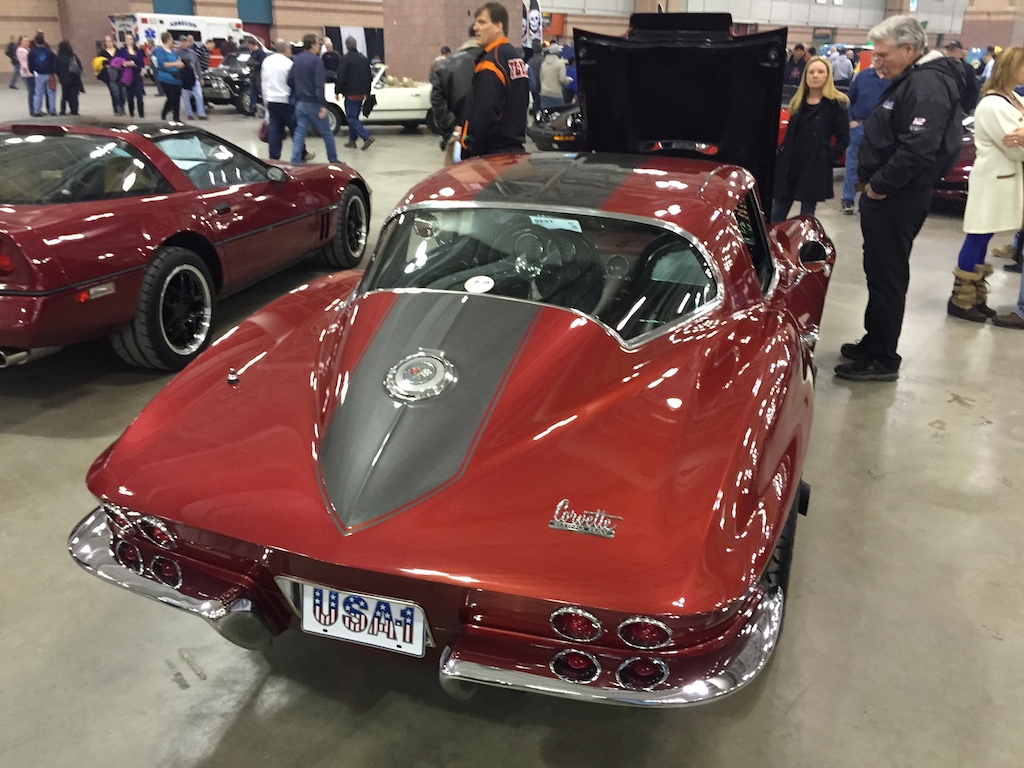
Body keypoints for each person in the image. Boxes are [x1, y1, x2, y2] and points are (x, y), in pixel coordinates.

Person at [835, 15, 965, 382]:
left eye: (882, 55)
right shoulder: (912, 79)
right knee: (878, 272)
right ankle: (874, 340)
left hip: (897, 198)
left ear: (909, 50)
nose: (876, 62)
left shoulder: (927, 84)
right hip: (888, 197)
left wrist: (881, 185)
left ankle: (883, 357)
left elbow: (920, 147)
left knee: (888, 275)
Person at [947, 47, 1024, 323]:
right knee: (978, 234)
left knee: (985, 235)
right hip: (993, 180)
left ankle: (976, 293)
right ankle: (962, 298)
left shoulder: (1013, 98)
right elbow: (1014, 147)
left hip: (1005, 180)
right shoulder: (993, 103)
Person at [770, 56, 850, 223]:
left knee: (806, 217)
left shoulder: (837, 104)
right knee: (777, 213)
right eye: (811, 72)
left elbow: (844, 138)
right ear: (805, 76)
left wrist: (828, 158)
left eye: (820, 72)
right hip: (791, 164)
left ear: (828, 76)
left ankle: (804, 246)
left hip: (814, 166)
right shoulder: (797, 102)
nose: (815, 75)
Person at [460, 2, 529, 159]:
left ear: (499, 26)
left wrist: (472, 148)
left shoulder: (491, 63)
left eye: (482, 22)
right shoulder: (515, 58)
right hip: (514, 151)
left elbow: (484, 112)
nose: (475, 27)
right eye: (476, 22)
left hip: (491, 155)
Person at [840, 64, 888, 214]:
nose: (879, 59)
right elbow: (849, 100)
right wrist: (850, 121)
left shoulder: (894, 78)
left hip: (882, 130)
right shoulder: (862, 76)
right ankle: (848, 200)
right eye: (877, 55)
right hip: (859, 126)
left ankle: (867, 200)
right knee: (852, 164)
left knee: (877, 165)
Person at [430, 28, 480, 165]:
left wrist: (452, 125)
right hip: (488, 145)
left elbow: (436, 99)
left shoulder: (445, 65)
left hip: (456, 139)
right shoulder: (494, 62)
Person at [288, 33, 339, 164]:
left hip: (300, 103)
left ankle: (294, 160)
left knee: (300, 133)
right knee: (326, 133)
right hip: (314, 103)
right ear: (311, 45)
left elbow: (290, 80)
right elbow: (319, 84)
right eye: (318, 44)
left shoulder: (296, 59)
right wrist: (323, 105)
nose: (319, 46)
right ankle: (333, 160)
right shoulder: (317, 61)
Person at [262, 39, 299, 161]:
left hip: (271, 99)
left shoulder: (267, 61)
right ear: (286, 49)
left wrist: (265, 100)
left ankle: (274, 156)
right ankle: (300, 153)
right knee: (295, 128)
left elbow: (264, 82)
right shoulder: (288, 63)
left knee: (274, 129)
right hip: (286, 100)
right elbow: (293, 82)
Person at [335, 35, 374, 150]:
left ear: (346, 46)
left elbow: (341, 77)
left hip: (350, 93)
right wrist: (367, 92)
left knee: (351, 118)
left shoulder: (345, 59)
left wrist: (337, 91)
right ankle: (352, 141)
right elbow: (369, 77)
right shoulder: (364, 58)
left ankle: (366, 137)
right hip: (361, 94)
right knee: (354, 117)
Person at [151, 31, 185, 121]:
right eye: (171, 39)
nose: (172, 41)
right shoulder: (159, 50)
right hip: (165, 78)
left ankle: (176, 118)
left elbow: (178, 60)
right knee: (171, 98)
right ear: (167, 40)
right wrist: (175, 64)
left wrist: (180, 64)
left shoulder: (174, 52)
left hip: (176, 78)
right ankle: (164, 113)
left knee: (177, 98)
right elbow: (162, 64)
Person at [111, 32, 146, 118]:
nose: (128, 40)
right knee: (130, 97)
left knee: (139, 96)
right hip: (127, 75)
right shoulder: (121, 51)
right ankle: (132, 114)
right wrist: (124, 63)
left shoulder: (138, 51)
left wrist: (141, 69)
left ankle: (141, 115)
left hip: (137, 75)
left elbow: (141, 63)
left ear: (133, 40)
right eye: (126, 39)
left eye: (130, 39)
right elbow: (116, 62)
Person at [943, 39, 979, 113]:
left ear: (960, 52)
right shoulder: (942, 66)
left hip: (960, 108)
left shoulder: (968, 68)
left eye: (953, 50)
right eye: (948, 50)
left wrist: (967, 108)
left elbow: (972, 89)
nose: (949, 53)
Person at [178, 35, 206, 120]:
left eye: (185, 41)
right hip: (184, 79)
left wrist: (200, 77)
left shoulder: (192, 53)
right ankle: (189, 114)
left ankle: (201, 113)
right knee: (186, 97)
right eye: (182, 42)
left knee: (199, 95)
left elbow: (197, 66)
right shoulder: (177, 53)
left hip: (194, 77)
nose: (184, 43)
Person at [28, 33, 56, 116]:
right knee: (51, 93)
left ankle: (37, 110)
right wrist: (52, 71)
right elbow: (54, 62)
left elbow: (30, 64)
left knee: (38, 93)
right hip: (49, 74)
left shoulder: (32, 52)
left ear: (36, 42)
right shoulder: (49, 52)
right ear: (43, 42)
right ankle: (52, 110)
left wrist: (32, 71)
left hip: (38, 74)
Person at [96, 34, 124, 115]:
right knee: (114, 92)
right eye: (106, 41)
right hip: (109, 75)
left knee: (122, 92)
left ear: (113, 42)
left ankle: (122, 107)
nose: (108, 43)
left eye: (110, 41)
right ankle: (117, 109)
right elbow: (99, 63)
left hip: (119, 74)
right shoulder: (103, 52)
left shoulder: (118, 51)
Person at [54, 40, 83, 116]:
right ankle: (74, 110)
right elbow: (79, 66)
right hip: (74, 79)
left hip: (64, 80)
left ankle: (63, 110)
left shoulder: (58, 57)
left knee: (64, 96)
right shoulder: (73, 56)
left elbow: (55, 69)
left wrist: (60, 75)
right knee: (74, 96)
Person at [538, 42, 569, 109]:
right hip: (556, 94)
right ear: (558, 53)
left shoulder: (543, 63)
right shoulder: (560, 64)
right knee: (558, 115)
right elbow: (562, 79)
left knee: (545, 115)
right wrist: (568, 80)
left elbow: (540, 77)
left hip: (544, 93)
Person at [244, 36, 266, 116]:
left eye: (248, 45)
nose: (248, 47)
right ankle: (252, 109)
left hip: (259, 75)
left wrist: (253, 63)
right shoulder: (252, 53)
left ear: (252, 44)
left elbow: (261, 64)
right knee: (253, 91)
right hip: (253, 74)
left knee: (261, 91)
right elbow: (248, 62)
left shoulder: (261, 53)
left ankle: (264, 108)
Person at [17, 36, 33, 114]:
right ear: (21, 42)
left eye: (28, 41)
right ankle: (32, 109)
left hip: (31, 73)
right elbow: (25, 63)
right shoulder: (22, 51)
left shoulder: (28, 50)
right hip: (27, 73)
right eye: (25, 41)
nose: (28, 42)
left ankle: (35, 108)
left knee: (33, 91)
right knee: (31, 91)